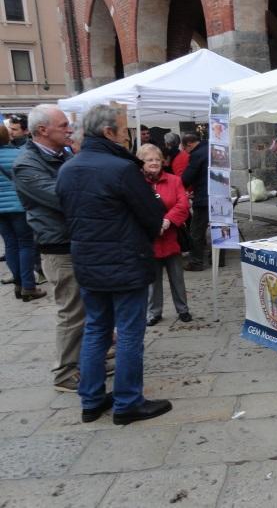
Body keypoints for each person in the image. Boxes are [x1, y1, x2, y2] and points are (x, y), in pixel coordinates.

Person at [55, 104, 171, 425]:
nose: (127, 136)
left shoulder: (68, 169)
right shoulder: (121, 170)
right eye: (123, 130)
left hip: (88, 262)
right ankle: (128, 402)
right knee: (130, 333)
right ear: (108, 132)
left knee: (96, 329)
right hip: (125, 263)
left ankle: (91, 400)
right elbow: (152, 215)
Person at [13, 105, 83, 391]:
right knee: (72, 311)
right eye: (63, 124)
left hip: (76, 240)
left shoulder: (63, 155)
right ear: (43, 130)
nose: (69, 129)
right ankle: (65, 374)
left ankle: (88, 359)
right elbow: (63, 197)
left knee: (86, 307)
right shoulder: (26, 165)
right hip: (58, 247)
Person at [136, 144, 192, 326]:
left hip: (171, 237)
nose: (154, 163)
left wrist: (167, 221)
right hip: (149, 240)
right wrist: (152, 224)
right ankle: (154, 312)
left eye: (157, 159)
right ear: (141, 163)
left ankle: (183, 309)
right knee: (153, 280)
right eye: (149, 160)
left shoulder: (174, 180)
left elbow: (182, 205)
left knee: (177, 277)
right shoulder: (136, 183)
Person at [0, 125, 45, 302]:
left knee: (10, 245)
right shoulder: (18, 154)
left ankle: (18, 283)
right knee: (26, 244)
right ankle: (28, 286)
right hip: (19, 206)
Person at [181, 132, 209, 271]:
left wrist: (177, 187)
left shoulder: (197, 154)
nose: (186, 152)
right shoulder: (211, 148)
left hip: (204, 198)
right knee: (218, 228)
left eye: (185, 149)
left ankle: (196, 262)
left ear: (189, 144)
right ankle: (218, 259)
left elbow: (187, 177)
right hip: (218, 195)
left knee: (196, 231)